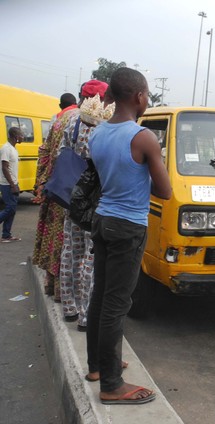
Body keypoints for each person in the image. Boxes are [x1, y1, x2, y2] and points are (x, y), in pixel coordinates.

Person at [86, 67, 171, 405]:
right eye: (148, 95)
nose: (148, 100)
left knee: (100, 297)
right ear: (138, 97)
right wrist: (156, 161)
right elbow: (164, 191)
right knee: (117, 304)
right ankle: (111, 383)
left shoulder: (98, 134)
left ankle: (96, 365)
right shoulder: (143, 137)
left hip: (103, 219)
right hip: (128, 227)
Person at [59, 80, 110, 327]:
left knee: (71, 251)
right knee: (91, 257)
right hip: (96, 198)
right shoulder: (105, 126)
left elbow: (62, 155)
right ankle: (86, 316)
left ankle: (69, 307)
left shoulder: (72, 122)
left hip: (72, 195)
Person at [32, 92, 79, 299]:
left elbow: (44, 151)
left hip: (56, 190)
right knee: (71, 245)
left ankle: (51, 285)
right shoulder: (85, 120)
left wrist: (41, 182)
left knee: (54, 241)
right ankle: (65, 294)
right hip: (75, 195)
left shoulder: (58, 120)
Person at [0, 127, 24, 242]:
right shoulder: (6, 148)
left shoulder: (13, 149)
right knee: (10, 208)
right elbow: (4, 168)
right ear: (15, 136)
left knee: (12, 210)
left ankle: (6, 235)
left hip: (14, 183)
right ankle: (6, 234)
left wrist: (15, 184)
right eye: (21, 135)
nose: (23, 137)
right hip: (7, 184)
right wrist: (12, 185)